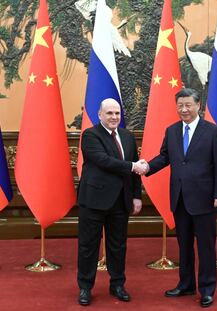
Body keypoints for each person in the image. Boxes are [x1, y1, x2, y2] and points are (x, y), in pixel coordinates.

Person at [144, 88, 217, 308]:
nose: (184, 109)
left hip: (205, 199)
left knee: (206, 247)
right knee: (184, 246)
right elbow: (164, 157)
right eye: (180, 105)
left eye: (188, 105)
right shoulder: (171, 131)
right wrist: (146, 167)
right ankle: (186, 284)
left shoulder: (213, 132)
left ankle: (207, 289)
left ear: (198, 105)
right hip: (180, 198)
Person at [76, 98, 147, 306]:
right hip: (94, 200)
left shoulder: (127, 136)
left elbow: (134, 175)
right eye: (109, 113)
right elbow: (103, 161)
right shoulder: (90, 135)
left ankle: (117, 284)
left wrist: (136, 196)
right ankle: (85, 288)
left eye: (117, 113)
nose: (114, 117)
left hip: (121, 201)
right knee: (88, 246)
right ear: (100, 115)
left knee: (118, 246)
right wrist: (133, 166)